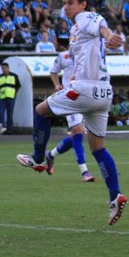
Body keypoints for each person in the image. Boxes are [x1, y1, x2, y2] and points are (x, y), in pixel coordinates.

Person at [15, 0, 127, 226]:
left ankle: (39, 158)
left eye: (71, 2)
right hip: (104, 92)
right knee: (98, 148)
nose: (66, 7)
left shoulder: (85, 18)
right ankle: (115, 195)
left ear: (83, 4)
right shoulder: (75, 30)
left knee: (40, 111)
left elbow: (101, 25)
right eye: (64, 3)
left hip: (85, 89)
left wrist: (109, 36)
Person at [42, 50, 95, 182]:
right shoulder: (63, 56)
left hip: (86, 97)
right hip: (69, 99)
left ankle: (51, 155)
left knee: (77, 135)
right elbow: (53, 71)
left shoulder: (87, 54)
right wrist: (56, 84)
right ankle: (84, 171)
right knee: (77, 131)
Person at [0, 62, 20, 133]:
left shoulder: (14, 76)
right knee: (1, 113)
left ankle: (9, 129)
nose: (4, 70)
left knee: (10, 113)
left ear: (8, 68)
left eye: (5, 68)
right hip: (2, 97)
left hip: (11, 97)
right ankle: (0, 129)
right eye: (3, 69)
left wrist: (14, 93)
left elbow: (18, 86)